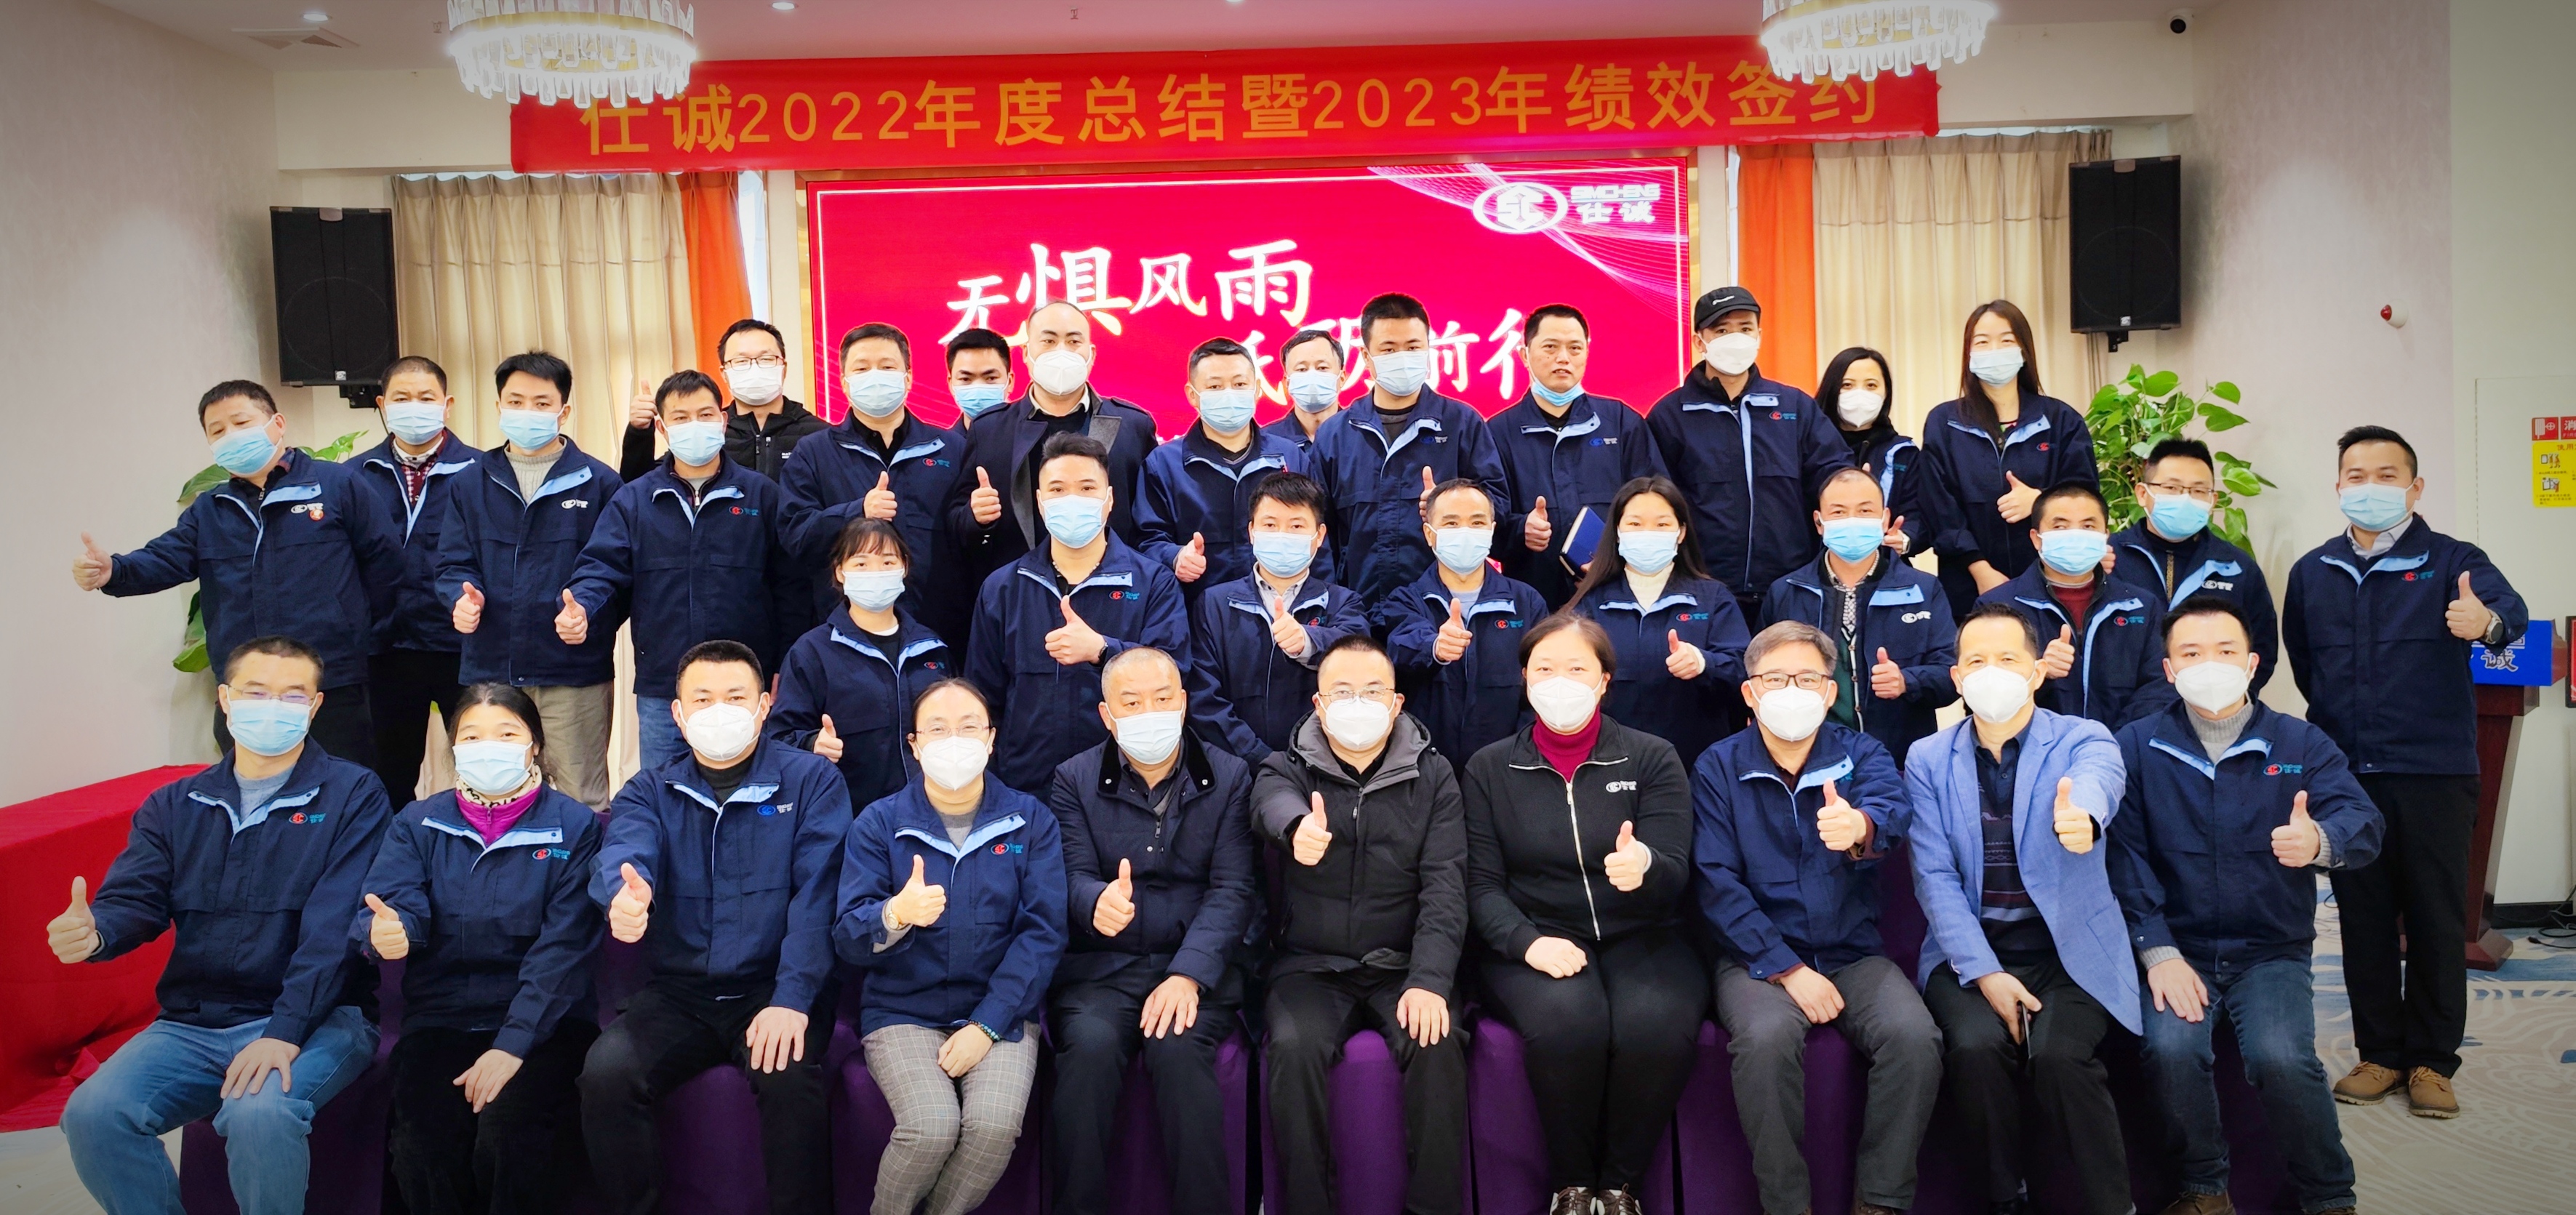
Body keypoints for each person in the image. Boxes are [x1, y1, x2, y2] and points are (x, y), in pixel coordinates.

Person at [53, 636, 392, 1215]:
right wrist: (97, 931)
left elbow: (333, 928)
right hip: (194, 1022)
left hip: (319, 1017)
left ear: (315, 706)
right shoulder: (175, 804)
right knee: (93, 1114)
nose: (273, 707)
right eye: (256, 692)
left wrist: (284, 1030)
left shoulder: (353, 795)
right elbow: (136, 898)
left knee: (261, 1112)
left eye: (293, 695)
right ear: (226, 699)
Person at [2283, 425, 2527, 1118]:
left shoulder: (2453, 559)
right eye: (2356, 475)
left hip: (2433, 773)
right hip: (2346, 777)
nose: (2370, 487)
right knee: (2361, 919)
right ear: (2338, 486)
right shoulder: (2313, 570)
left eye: (2387, 475)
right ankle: (2381, 1052)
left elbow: (2510, 616)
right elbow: (2306, 665)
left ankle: (2431, 1061)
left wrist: (2485, 623)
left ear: (2415, 487)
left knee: (2435, 918)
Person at [2110, 597, 2382, 1215]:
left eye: (2226, 650)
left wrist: (2321, 840)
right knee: (2171, 1052)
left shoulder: (2299, 739)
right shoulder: (2138, 744)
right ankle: (2205, 1188)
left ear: (2253, 663)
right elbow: (2124, 857)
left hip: (2270, 949)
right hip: (2178, 947)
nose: (2210, 663)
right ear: (2169, 669)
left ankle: (2329, 1195)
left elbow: (2363, 818)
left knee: (2281, 1058)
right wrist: (2157, 951)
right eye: (2191, 653)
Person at [580, 640, 851, 1215]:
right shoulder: (649, 789)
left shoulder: (812, 782)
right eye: (702, 699)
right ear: (678, 714)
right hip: (680, 994)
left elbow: (819, 896)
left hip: (773, 987)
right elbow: (625, 853)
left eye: (735, 697)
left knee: (788, 1077)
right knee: (606, 1074)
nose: (719, 710)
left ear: (764, 705)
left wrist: (792, 998)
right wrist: (624, 898)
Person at [1694, 622, 1938, 1215]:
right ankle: (1787, 1206)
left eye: (1807, 678)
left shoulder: (1862, 752)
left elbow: (1890, 808)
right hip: (1757, 958)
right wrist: (1786, 967)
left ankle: (1880, 1201)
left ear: (1830, 692)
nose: (1792, 690)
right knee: (1765, 1040)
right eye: (1776, 678)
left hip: (1852, 949)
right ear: (1750, 691)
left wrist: (1859, 826)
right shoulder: (1717, 766)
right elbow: (1715, 880)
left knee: (1915, 1038)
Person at [1460, 614, 1699, 1215]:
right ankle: (1572, 1186)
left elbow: (1676, 867)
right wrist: (1526, 941)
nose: (1559, 681)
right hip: (1537, 936)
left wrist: (1645, 866)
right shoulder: (1489, 767)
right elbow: (1481, 885)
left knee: (1656, 1026)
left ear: (1604, 680)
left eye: (1576, 668)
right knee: (1569, 1024)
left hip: (1645, 932)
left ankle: (1619, 1187)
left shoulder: (1652, 756)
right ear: (1524, 678)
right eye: (1544, 668)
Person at [1905, 604, 2135, 1215]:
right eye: (1976, 660)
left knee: (2060, 1057)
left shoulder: (2083, 737)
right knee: (1975, 1050)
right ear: (1957, 677)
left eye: (2008, 658)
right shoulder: (1927, 757)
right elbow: (1934, 876)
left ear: (2036, 672)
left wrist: (2083, 815)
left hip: (2068, 953)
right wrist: (1986, 973)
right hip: (1971, 953)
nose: (1991, 671)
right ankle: (2007, 1200)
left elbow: (2100, 779)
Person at [356, 683, 604, 1215]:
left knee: (510, 1134)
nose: (488, 746)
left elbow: (563, 949)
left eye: (507, 733)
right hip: (441, 1019)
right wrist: (391, 931)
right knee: (423, 1147)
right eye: (472, 736)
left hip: (546, 1024)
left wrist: (512, 1045)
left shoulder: (575, 826)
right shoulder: (418, 822)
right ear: (453, 746)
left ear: (535, 744)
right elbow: (393, 901)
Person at [73, 380, 403, 766]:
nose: (231, 436)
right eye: (218, 431)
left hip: (330, 681)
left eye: (241, 423)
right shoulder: (210, 509)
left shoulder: (337, 485)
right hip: (245, 687)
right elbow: (165, 558)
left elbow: (386, 567)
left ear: (278, 424)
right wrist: (113, 570)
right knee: (249, 787)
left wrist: (359, 637)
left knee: (339, 787)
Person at [1253, 635, 1468, 1215]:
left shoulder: (1435, 775)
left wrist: (1430, 980)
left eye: (1372, 691)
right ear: (1319, 704)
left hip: (1402, 964)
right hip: (1310, 965)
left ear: (1397, 703)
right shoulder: (1285, 765)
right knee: (1293, 1047)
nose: (1357, 703)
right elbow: (1269, 802)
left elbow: (1446, 886)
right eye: (1342, 691)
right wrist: (1296, 828)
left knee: (1438, 1042)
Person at [836, 677, 1065, 1215]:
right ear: (914, 745)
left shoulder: (1031, 820)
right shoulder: (879, 823)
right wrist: (895, 914)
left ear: (991, 738)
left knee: (993, 1127)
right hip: (902, 1010)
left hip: (1001, 1009)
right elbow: (847, 935)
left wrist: (987, 1025)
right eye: (937, 730)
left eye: (968, 727)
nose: (954, 740)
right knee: (930, 1126)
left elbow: (1043, 932)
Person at [1047, 648, 1258, 1215]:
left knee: (1178, 1052)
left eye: (1163, 699)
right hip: (1103, 968)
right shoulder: (1073, 778)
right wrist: (1093, 901)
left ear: (1183, 703)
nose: (1150, 712)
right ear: (1107, 715)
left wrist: (1188, 974)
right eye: (1132, 702)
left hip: (1193, 965)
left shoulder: (1231, 775)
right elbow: (1069, 874)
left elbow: (1233, 888)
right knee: (1088, 1052)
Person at [559, 369, 804, 770]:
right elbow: (602, 568)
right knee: (666, 789)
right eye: (680, 417)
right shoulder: (634, 500)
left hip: (747, 682)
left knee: (756, 783)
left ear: (723, 420)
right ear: (661, 427)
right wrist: (583, 608)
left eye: (705, 415)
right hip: (665, 687)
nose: (695, 426)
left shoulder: (762, 495)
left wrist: (783, 665)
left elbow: (790, 588)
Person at [436, 351, 625, 810]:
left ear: (564, 410)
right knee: (490, 794)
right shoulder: (469, 483)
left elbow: (611, 567)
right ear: (498, 407)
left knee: (583, 798)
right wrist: (460, 601)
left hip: (572, 672)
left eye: (542, 403)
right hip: (491, 670)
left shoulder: (600, 483)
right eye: (516, 401)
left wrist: (585, 610)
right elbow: (452, 564)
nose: (527, 412)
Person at [965, 433, 1191, 791]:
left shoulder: (1153, 583)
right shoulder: (1003, 588)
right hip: (1026, 786)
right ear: (1040, 503)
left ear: (1109, 499)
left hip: (1124, 786)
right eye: (1057, 490)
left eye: (1087, 488)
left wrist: (1103, 651)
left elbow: (1174, 669)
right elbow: (981, 698)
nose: (1072, 500)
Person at [1305, 292, 1509, 627]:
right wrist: (1332, 605)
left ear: (1428, 350)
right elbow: (1317, 529)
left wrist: (1452, 505)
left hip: (1444, 613)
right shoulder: (1336, 434)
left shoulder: (1462, 424)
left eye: (1413, 347)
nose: (1402, 357)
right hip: (1356, 612)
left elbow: (1498, 507)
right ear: (1366, 357)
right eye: (1388, 349)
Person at [1645, 286, 1852, 616]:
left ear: (1759, 335)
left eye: (1745, 329)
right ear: (1700, 342)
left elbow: (1832, 474)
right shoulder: (1670, 415)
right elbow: (1655, 499)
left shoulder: (1795, 406)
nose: (1735, 339)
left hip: (1789, 587)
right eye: (1721, 331)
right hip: (1702, 588)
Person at [776, 322, 975, 645]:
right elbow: (795, 535)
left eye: (887, 367)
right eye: (862, 368)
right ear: (844, 382)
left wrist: (979, 520)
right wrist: (857, 512)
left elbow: (968, 543)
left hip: (939, 633)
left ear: (908, 378)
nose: (875, 376)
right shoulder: (813, 453)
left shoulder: (950, 448)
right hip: (844, 637)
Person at [947, 302, 1161, 588]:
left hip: (1116, 590)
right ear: (1026, 353)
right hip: (1018, 592)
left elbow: (1152, 521)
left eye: (1073, 341)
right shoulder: (990, 429)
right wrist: (975, 517)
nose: (1062, 351)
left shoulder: (1133, 426)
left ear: (1091, 354)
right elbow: (956, 523)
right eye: (1048, 341)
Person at [1917, 300, 2101, 617]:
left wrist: (2041, 500)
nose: (1994, 351)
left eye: (2006, 340)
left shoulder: (2061, 419)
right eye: (1982, 342)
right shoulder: (1944, 422)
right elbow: (1940, 509)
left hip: (2050, 580)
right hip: (1968, 586)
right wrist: (1980, 570)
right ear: (1969, 354)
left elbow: (2085, 495)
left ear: (2024, 351)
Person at [1760, 468, 1956, 764]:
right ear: (1819, 522)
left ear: (1885, 519)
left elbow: (1953, 674)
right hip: (1809, 759)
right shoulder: (1786, 592)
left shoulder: (1923, 589)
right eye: (1839, 512)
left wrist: (1907, 681)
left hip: (1900, 759)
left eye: (1865, 511)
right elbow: (1760, 676)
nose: (1852, 521)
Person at [351, 356, 477, 803]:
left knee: (482, 766)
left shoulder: (483, 472)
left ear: (448, 405)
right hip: (384, 649)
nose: (414, 407)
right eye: (402, 398)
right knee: (387, 776)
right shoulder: (353, 477)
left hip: (463, 647)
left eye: (426, 398)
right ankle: (396, 849)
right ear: (382, 405)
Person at [1489, 305, 1668, 609]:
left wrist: (1617, 554)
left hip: (1618, 596)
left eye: (1575, 348)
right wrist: (1521, 531)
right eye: (1550, 347)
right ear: (1524, 355)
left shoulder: (1622, 422)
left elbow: (1657, 505)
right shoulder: (1497, 432)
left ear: (1587, 353)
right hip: (1533, 601)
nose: (1563, 358)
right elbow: (1484, 521)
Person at [1185, 473, 1371, 763]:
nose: (1283, 535)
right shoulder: (1213, 604)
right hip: (1235, 768)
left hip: (1323, 766)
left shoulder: (1344, 602)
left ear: (1319, 535)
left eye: (1296, 526)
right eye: (1270, 525)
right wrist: (1259, 757)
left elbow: (1358, 657)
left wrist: (1308, 641)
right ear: (1252, 531)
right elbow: (1203, 696)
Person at [768, 518, 955, 808]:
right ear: (840, 572)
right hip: (847, 814)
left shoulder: (932, 648)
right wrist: (811, 743)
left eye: (888, 562)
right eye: (861, 564)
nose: (875, 573)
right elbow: (779, 736)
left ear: (904, 567)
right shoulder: (812, 652)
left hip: (929, 809)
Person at [1567, 476, 1752, 767]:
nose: (1648, 534)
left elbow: (1746, 669)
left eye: (1662, 524)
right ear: (1617, 532)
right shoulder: (1589, 602)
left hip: (1694, 760)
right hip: (1608, 760)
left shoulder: (1713, 597)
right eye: (1635, 523)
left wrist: (1704, 663)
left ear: (1681, 532)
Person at [1976, 481, 2177, 730]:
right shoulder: (1997, 608)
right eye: (2060, 526)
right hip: (2031, 749)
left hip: (2122, 748)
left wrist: (2113, 743)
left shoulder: (2142, 606)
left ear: (2105, 536)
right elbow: (1984, 696)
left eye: (2088, 526)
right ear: (2036, 539)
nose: (2074, 535)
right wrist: (2038, 674)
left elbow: (2158, 689)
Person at [1385, 478, 1549, 765]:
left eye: (1477, 523)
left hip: (1508, 765)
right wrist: (1435, 648)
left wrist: (1519, 753)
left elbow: (1542, 683)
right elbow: (1402, 649)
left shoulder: (1527, 602)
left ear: (1492, 530)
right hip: (1425, 767)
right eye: (1451, 523)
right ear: (1429, 534)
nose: (1465, 532)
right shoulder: (1406, 600)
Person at [1135, 337, 1311, 604]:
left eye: (1240, 384)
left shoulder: (1289, 457)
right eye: (1215, 386)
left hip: (1281, 611)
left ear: (1257, 389)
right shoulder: (1163, 464)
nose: (1229, 394)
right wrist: (1175, 557)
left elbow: (1317, 540)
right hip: (1196, 613)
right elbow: (1145, 540)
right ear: (1193, 395)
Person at [2110, 437, 2279, 691]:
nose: (2186, 499)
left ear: (2212, 501)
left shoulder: (2237, 567)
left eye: (2199, 491)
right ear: (2143, 494)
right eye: (2172, 488)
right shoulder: (2108, 560)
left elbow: (2262, 649)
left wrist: (2225, 703)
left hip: (2210, 708)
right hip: (2123, 711)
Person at [620, 318, 822, 481]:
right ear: (724, 373)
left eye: (766, 359)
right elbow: (641, 487)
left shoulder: (819, 436)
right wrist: (639, 432)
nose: (754, 367)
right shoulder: (709, 431)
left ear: (784, 368)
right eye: (741, 361)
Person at [1817, 346, 1928, 558]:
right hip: (1816, 568)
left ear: (1886, 393)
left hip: (1884, 566)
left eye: (1871, 385)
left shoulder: (1903, 453)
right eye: (1847, 385)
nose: (1859, 394)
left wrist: (1906, 538)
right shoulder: (1811, 446)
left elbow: (1921, 515)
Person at [1263, 327, 1347, 452]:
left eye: (1322, 368)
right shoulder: (1266, 442)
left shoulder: (1363, 437)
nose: (1312, 375)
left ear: (1342, 378)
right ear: (1288, 382)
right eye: (1302, 369)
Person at [943, 326, 1015, 429]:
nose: (978, 388)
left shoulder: (1033, 437)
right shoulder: (945, 440)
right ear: (951, 384)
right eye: (965, 379)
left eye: (991, 378)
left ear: (1010, 382)